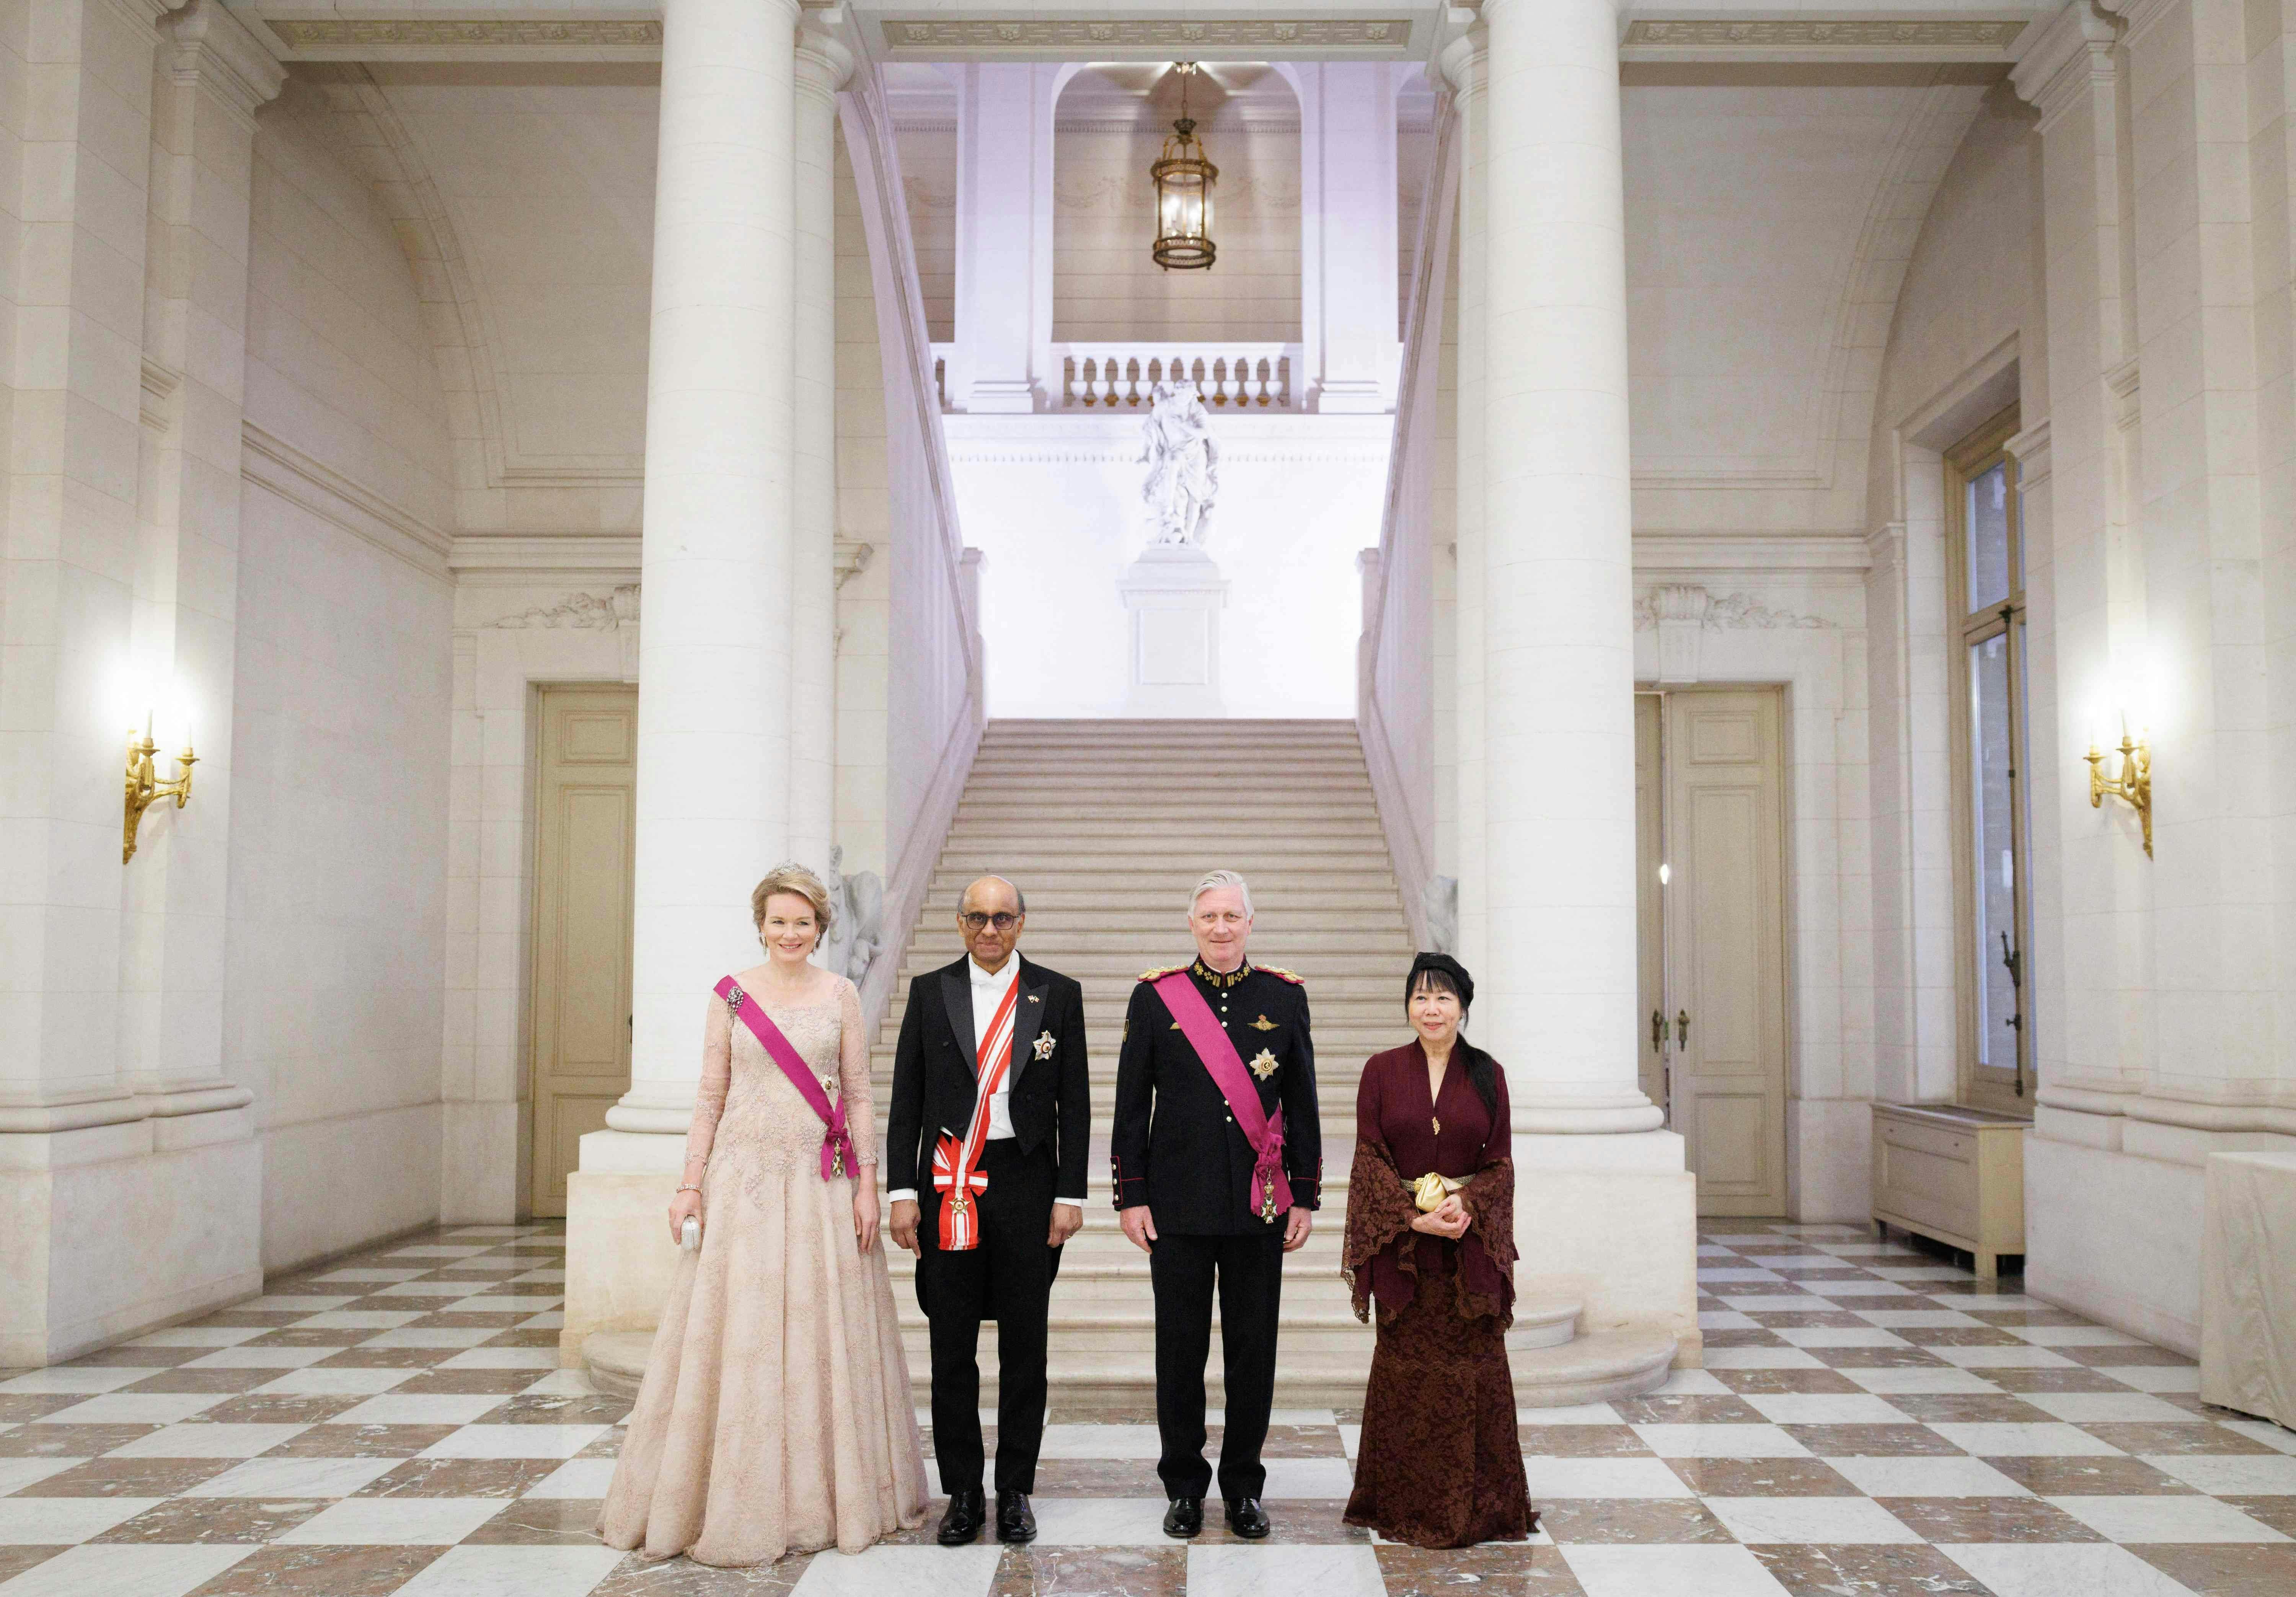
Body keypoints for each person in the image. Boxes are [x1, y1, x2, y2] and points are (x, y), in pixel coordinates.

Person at [598, 865, 928, 1566]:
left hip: (821, 1184)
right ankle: (727, 1499)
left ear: (821, 928)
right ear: (762, 924)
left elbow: (862, 1098)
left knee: (818, 1334)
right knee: (741, 1334)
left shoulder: (841, 995)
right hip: (743, 1181)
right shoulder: (731, 995)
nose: (790, 933)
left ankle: (823, 1499)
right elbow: (709, 1095)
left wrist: (871, 1183)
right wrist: (691, 1185)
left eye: (803, 922)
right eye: (779, 920)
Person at [1111, 868, 1320, 1540]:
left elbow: (1307, 1104)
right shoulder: (1155, 999)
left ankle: (1243, 1488)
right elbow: (1128, 1105)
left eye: (1232, 916)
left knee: (1253, 1351)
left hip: (1259, 1208)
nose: (1221, 927)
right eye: (1209, 917)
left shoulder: (1283, 999)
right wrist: (1131, 1196)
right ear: (1193, 924)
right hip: (1176, 1208)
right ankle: (1183, 1487)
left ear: (1250, 924)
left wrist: (1306, 1196)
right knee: (1179, 1350)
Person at [884, 875, 1091, 1546]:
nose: (991, 929)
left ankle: (1017, 1490)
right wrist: (901, 1193)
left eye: (1003, 917)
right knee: (952, 1345)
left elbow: (1076, 1104)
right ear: (959, 922)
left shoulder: (1057, 994)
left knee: (1026, 1346)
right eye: (978, 917)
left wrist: (1070, 1194)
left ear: (1023, 922)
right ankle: (965, 1492)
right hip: (949, 1179)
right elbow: (906, 1102)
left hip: (1028, 1183)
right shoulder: (929, 991)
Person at [1341, 952, 1534, 1548]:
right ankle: (1400, 1505)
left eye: (1444, 997)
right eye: (1421, 997)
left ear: (1463, 1008)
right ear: (1408, 1006)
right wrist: (1411, 1218)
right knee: (1406, 1375)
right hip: (1407, 1250)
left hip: (1466, 1250)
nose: (1432, 1008)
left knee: (1472, 1372)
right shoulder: (1380, 1070)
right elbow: (1369, 1158)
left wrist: (1466, 1208)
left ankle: (1485, 1508)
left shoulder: (1488, 1073)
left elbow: (1500, 1163)